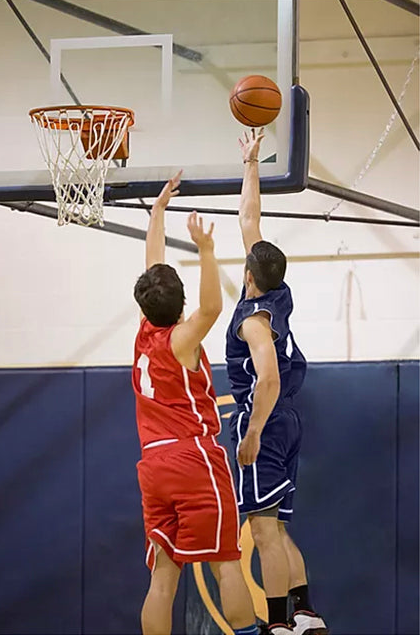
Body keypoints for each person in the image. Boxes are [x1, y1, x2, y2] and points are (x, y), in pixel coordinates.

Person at [132, 170, 259, 635]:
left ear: (144, 304)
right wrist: (206, 250)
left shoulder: (145, 334)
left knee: (163, 576)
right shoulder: (181, 339)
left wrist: (158, 212)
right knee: (226, 561)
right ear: (177, 304)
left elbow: (152, 263)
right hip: (192, 459)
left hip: (153, 465)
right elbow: (211, 309)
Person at [225, 130, 329, 635]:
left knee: (262, 530)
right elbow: (250, 220)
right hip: (289, 419)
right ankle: (305, 612)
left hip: (264, 420)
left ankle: (278, 625)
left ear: (248, 273)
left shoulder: (253, 319)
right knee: (279, 526)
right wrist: (250, 164)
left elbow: (265, 379)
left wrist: (251, 433)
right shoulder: (278, 290)